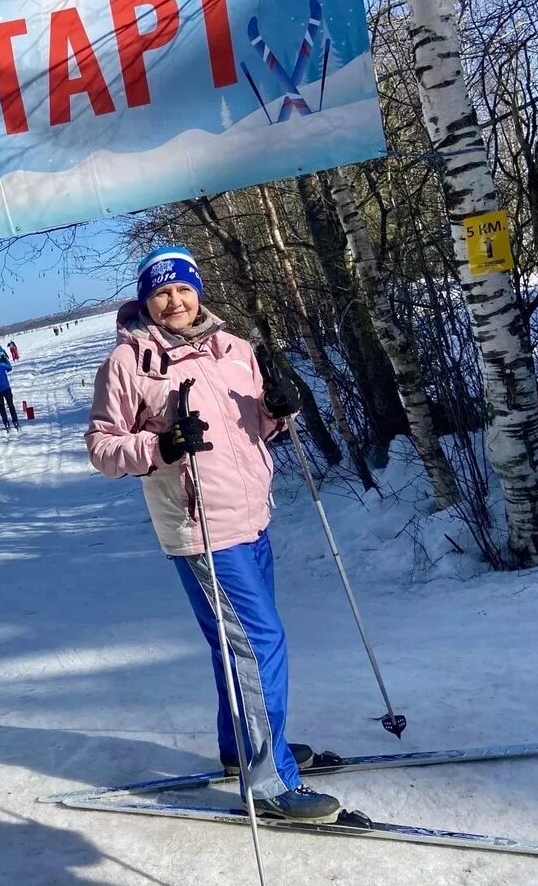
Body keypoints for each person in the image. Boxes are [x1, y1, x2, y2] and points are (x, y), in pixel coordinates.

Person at [85, 245, 339, 824]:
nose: (174, 301)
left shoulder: (233, 348)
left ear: (197, 290)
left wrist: (277, 410)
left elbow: (252, 430)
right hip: (199, 528)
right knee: (259, 644)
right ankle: (270, 781)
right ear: (146, 300)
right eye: (161, 293)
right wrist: (160, 446)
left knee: (237, 644)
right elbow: (102, 447)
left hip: (252, 518)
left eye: (182, 288)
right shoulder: (129, 363)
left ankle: (240, 748)